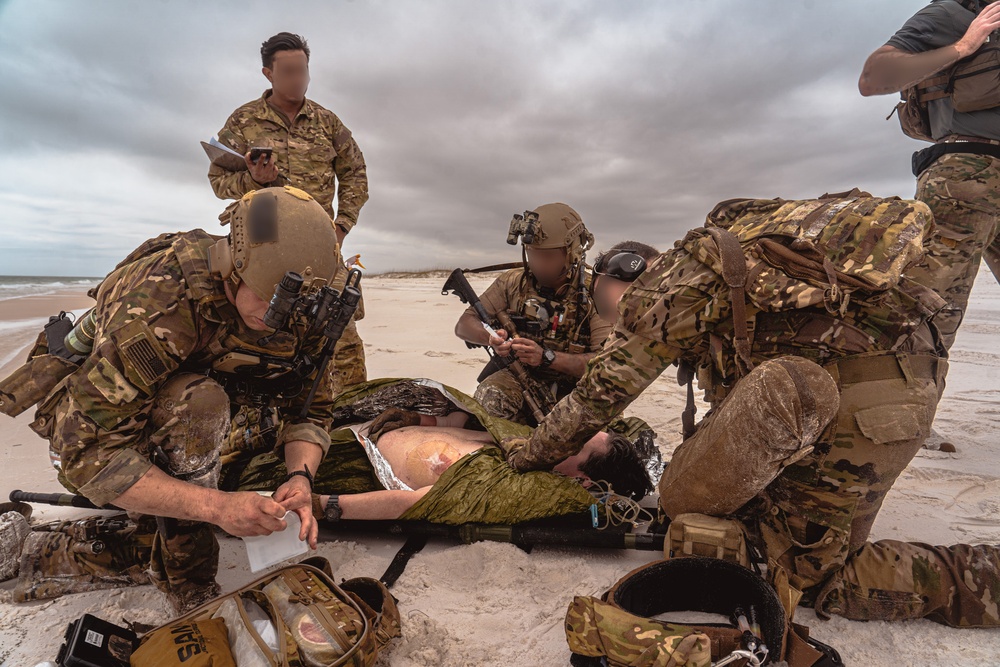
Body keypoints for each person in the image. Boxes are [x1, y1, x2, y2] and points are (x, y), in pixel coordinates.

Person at [505, 214, 1000, 628]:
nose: (616, 318)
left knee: (806, 577)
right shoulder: (724, 269)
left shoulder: (666, 293)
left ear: (631, 280)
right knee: (821, 534)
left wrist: (528, 456)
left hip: (857, 406)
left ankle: (984, 581)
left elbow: (599, 393)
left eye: (610, 302)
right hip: (906, 387)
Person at [0, 187, 345, 611]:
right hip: (91, 422)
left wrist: (301, 477)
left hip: (205, 403)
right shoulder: (161, 302)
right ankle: (182, 572)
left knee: (214, 435)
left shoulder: (309, 299)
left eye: (289, 306)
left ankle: (175, 496)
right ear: (234, 267)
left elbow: (311, 410)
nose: (278, 317)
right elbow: (88, 455)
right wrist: (216, 508)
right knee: (199, 406)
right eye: (267, 298)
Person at [208, 31, 368, 386]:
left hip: (321, 241)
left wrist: (341, 227)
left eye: (303, 70)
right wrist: (253, 180)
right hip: (261, 241)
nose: (299, 80)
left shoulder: (327, 123)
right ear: (268, 73)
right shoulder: (243, 121)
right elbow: (218, 180)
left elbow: (356, 172)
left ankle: (352, 410)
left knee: (340, 334)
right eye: (289, 72)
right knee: (262, 327)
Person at [859, 0, 1000, 351]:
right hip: (966, 176)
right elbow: (873, 78)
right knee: (923, 323)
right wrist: (963, 47)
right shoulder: (950, 15)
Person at [454, 203, 610, 425]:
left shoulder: (596, 293)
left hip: (580, 386)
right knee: (489, 398)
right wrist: (489, 337)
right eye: (532, 254)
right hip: (521, 378)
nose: (538, 264)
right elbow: (464, 324)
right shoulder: (513, 282)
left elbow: (606, 365)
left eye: (548, 256)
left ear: (572, 253)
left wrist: (547, 357)